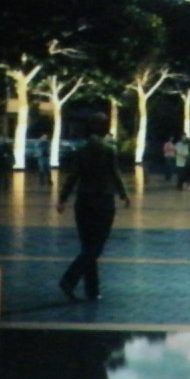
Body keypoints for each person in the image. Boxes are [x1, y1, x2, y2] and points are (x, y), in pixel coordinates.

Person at [56, 129, 131, 302]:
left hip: (83, 202)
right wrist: (124, 194)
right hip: (103, 201)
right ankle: (70, 279)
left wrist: (62, 198)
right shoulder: (108, 151)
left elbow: (73, 176)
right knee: (96, 247)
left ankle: (92, 289)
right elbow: (115, 174)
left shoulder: (81, 151)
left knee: (88, 246)